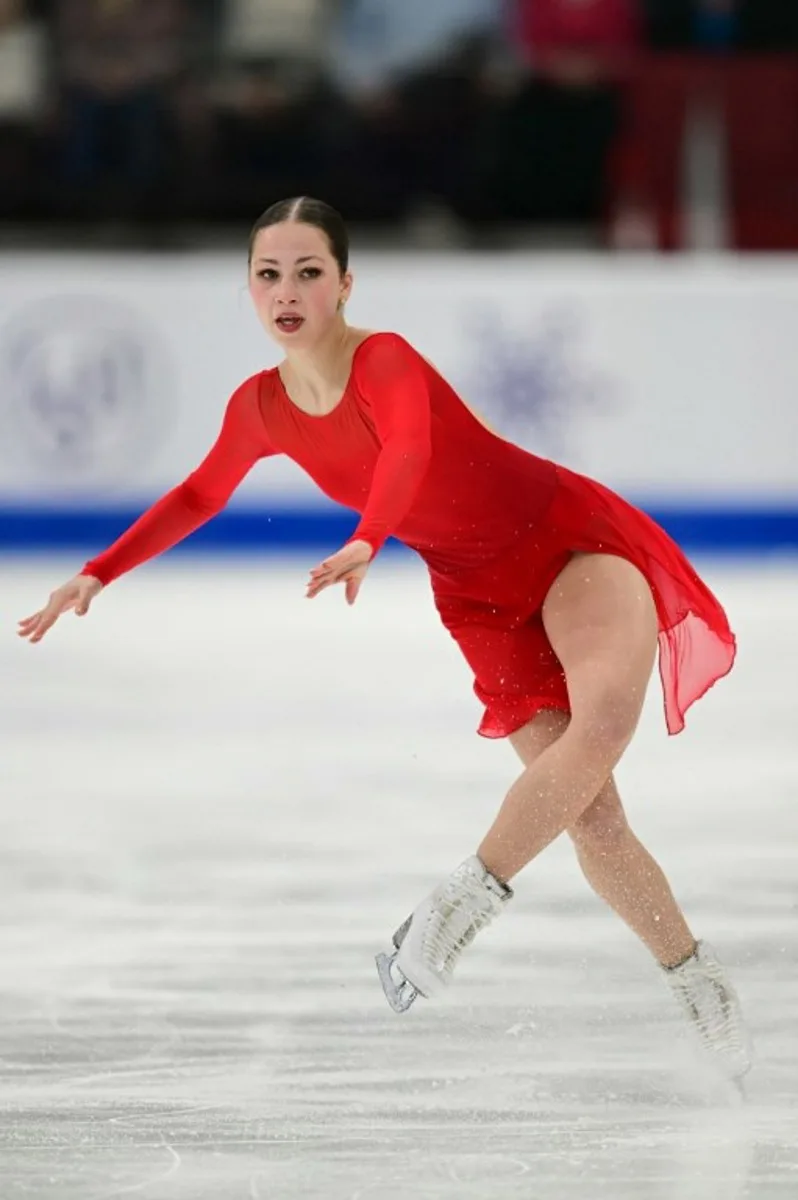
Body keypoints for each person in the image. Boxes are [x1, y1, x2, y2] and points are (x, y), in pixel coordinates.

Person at [18, 196, 751, 1082]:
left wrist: (371, 533)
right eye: (267, 274)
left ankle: (458, 906)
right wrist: (99, 569)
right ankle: (695, 978)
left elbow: (405, 446)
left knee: (597, 734)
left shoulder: (385, 358)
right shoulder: (259, 407)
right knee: (592, 816)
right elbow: (198, 496)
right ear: (248, 289)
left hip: (566, 543)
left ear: (344, 283)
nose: (287, 290)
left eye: (308, 272)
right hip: (478, 596)